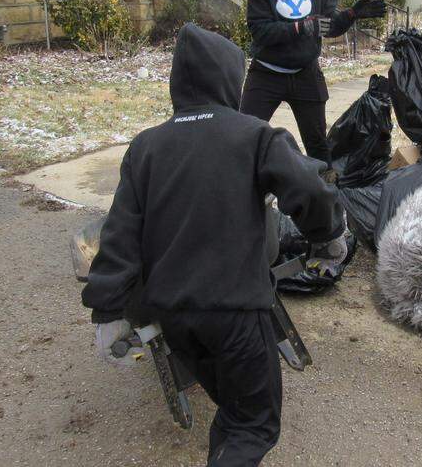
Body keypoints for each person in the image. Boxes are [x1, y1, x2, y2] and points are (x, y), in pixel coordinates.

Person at [82, 23, 345, 466]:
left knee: (234, 409)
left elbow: (119, 233)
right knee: (253, 424)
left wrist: (109, 312)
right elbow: (311, 189)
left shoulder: (145, 147)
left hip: (175, 319)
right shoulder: (256, 136)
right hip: (236, 314)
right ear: (230, 79)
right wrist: (327, 237)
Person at [241, 0, 387, 170]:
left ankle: (325, 199)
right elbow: (260, 31)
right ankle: (243, 193)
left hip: (304, 73)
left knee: (318, 146)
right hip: (267, 73)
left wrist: (351, 14)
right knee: (243, 138)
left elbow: (328, 27)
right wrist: (298, 27)